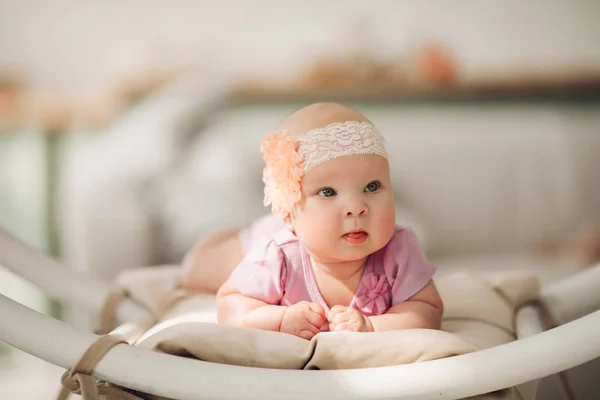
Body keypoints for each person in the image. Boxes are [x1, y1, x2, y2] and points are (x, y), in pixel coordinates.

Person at [213, 103, 443, 340]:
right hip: (256, 238)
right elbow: (230, 305)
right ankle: (226, 239)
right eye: (328, 192)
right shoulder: (277, 254)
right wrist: (280, 320)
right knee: (206, 268)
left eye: (371, 187)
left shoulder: (399, 248)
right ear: (289, 210)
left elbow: (427, 311)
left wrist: (373, 326)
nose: (356, 207)